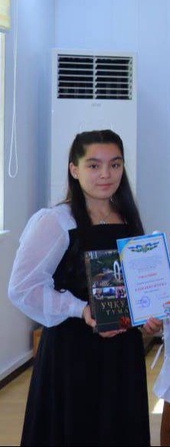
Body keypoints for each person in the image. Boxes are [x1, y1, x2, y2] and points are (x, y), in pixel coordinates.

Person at [9, 130, 161, 445]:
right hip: (72, 352)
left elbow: (135, 286)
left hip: (122, 354)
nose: (106, 174)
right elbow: (23, 288)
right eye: (94, 165)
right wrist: (80, 310)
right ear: (74, 169)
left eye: (115, 164)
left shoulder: (128, 220)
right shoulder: (56, 221)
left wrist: (147, 316)